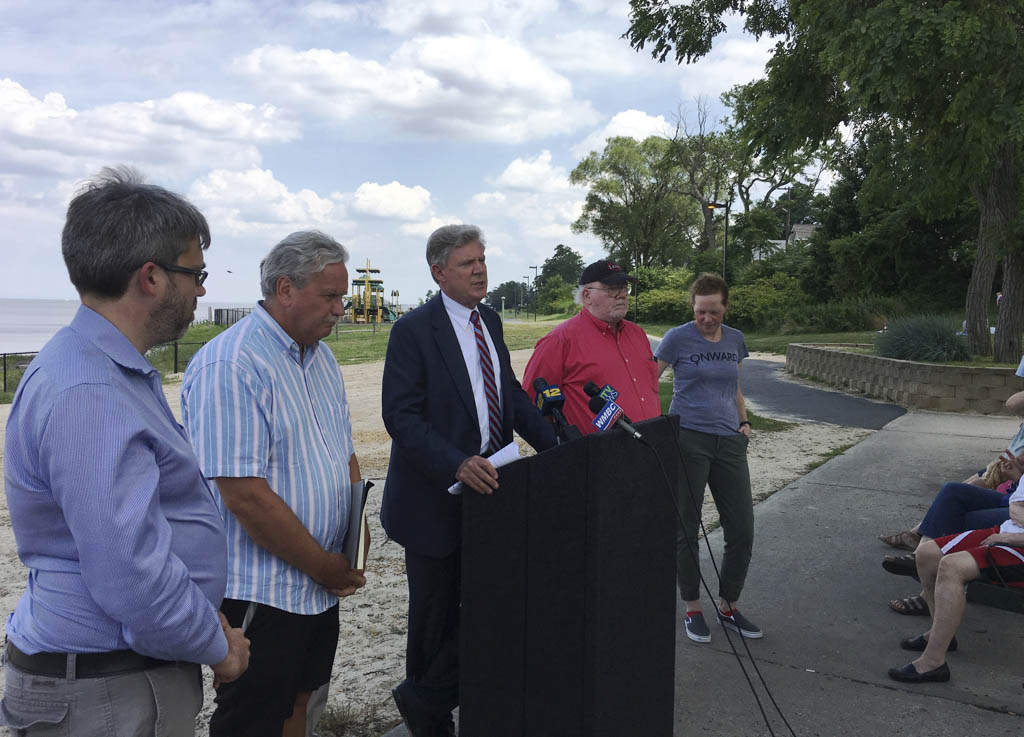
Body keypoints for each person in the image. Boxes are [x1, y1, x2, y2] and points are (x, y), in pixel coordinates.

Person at [1, 166, 249, 735]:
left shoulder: (105, 368)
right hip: (106, 689)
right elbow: (131, 573)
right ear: (151, 278)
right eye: (197, 272)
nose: (203, 290)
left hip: (114, 678)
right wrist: (219, 647)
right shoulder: (89, 390)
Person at [181, 230, 367, 737]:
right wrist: (324, 564)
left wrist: (353, 542)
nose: (339, 308)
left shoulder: (321, 357)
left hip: (317, 583)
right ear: (285, 289)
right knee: (254, 717)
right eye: (329, 296)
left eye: (342, 296)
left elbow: (344, 453)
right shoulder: (232, 363)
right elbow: (244, 494)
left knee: (301, 703)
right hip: (262, 588)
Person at [381, 224, 557, 737]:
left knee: (488, 606)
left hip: (493, 494)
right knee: (434, 617)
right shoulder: (413, 331)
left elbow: (513, 397)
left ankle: (444, 699)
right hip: (436, 500)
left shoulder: (491, 322)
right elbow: (401, 416)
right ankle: (427, 715)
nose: (480, 270)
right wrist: (456, 462)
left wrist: (561, 448)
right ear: (439, 273)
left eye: (482, 260)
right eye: (467, 264)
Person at [655, 272, 760, 644]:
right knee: (687, 526)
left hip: (730, 440)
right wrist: (658, 427)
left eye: (714, 312)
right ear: (693, 307)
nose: (707, 319)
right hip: (689, 439)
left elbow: (735, 387)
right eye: (701, 311)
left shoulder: (735, 340)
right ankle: (693, 608)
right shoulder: (677, 338)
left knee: (742, 529)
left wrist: (744, 423)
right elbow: (649, 381)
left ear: (725, 308)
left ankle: (728, 604)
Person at [888, 485, 1024, 683]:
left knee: (952, 567)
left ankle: (933, 662)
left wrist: (1012, 536)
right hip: (1005, 533)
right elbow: (1015, 506)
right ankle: (942, 635)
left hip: (1015, 543)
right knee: (926, 555)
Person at [523, 260, 660, 434]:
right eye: (612, 289)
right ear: (587, 296)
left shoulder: (638, 334)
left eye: (624, 288)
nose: (622, 295)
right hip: (599, 455)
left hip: (654, 446)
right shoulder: (559, 340)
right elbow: (531, 408)